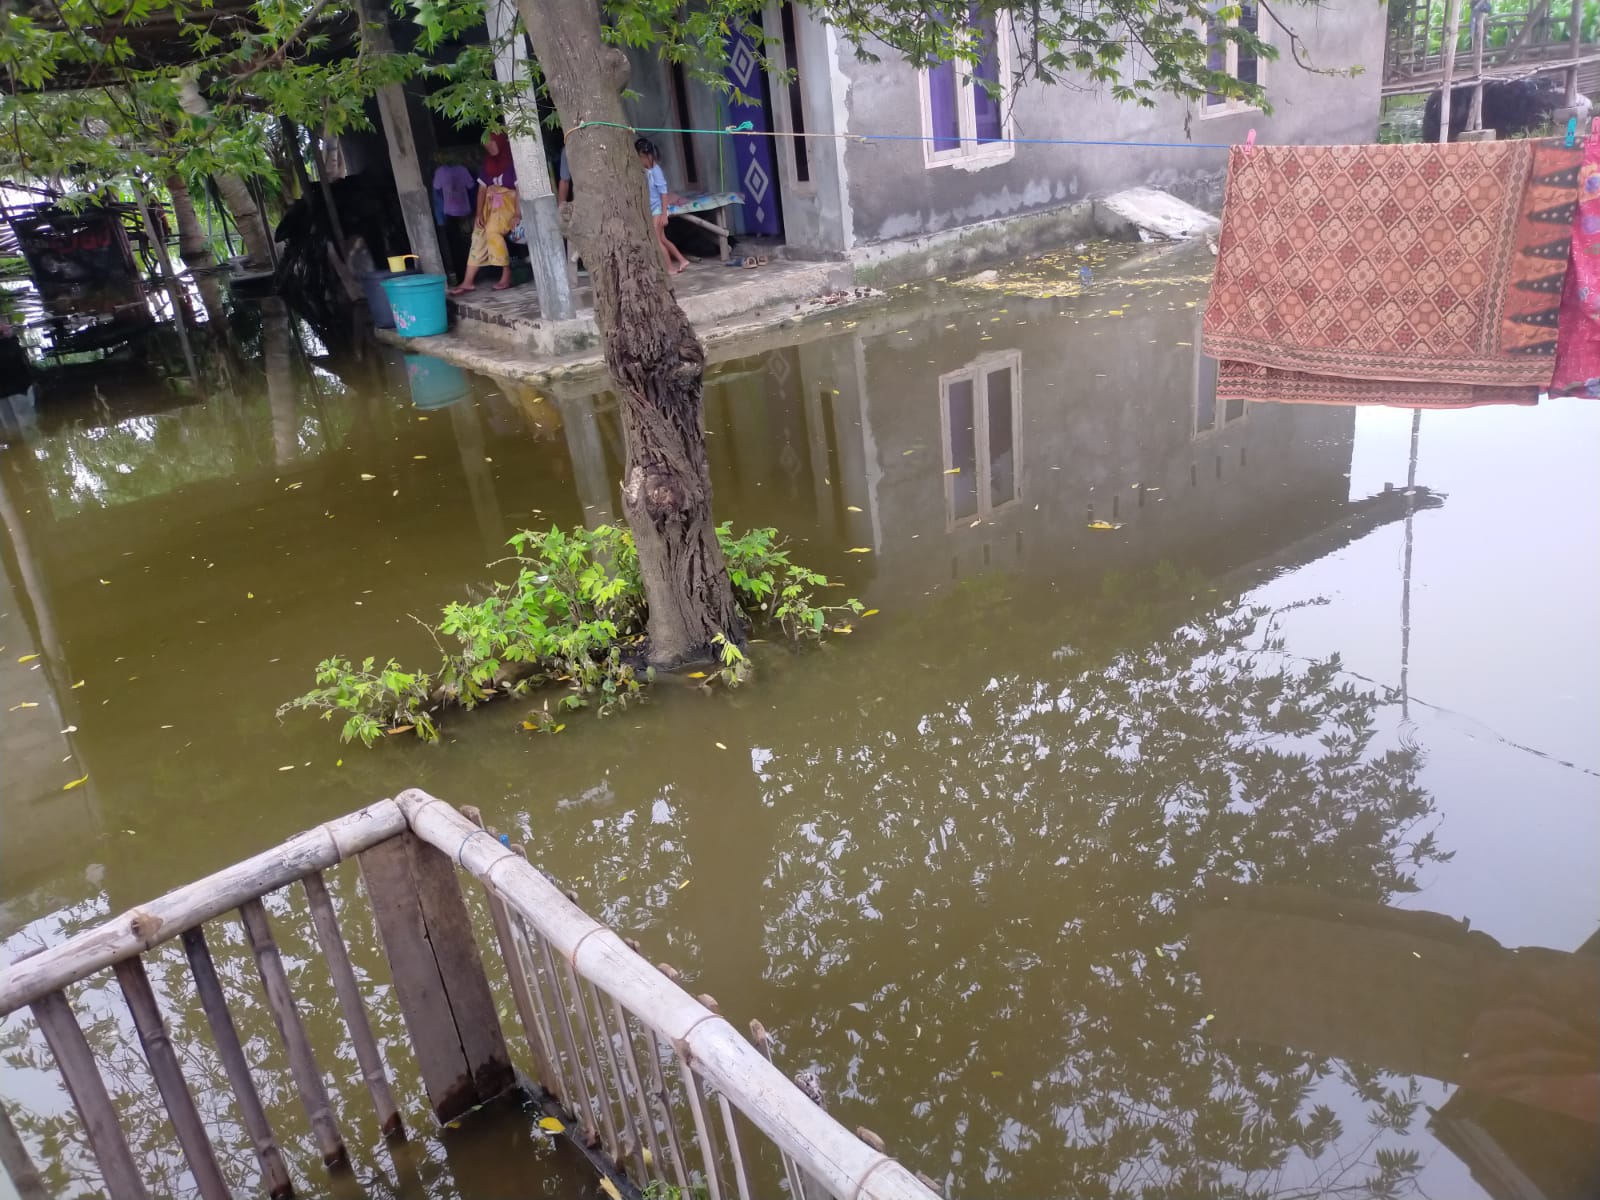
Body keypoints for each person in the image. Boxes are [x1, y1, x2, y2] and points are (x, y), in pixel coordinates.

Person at [448, 132, 520, 295]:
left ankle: (506, 273)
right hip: (491, 206)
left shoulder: (512, 163)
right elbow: (482, 190)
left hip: (509, 205)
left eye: (491, 143)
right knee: (479, 233)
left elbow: (520, 190)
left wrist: (517, 214)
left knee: (492, 231)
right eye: (486, 144)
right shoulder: (488, 164)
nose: (489, 146)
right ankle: (468, 281)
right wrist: (479, 214)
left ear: (500, 142)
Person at [636, 137, 689, 275]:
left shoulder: (656, 171)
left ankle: (670, 268)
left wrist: (664, 214)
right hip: (654, 209)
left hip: (658, 209)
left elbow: (664, 194)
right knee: (663, 239)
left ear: (647, 156)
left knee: (657, 240)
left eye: (641, 157)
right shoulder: (647, 170)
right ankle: (682, 260)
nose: (640, 161)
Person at [431, 150, 477, 282]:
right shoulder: (461, 170)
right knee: (469, 245)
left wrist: (440, 219)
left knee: (457, 246)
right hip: (463, 212)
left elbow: (437, 195)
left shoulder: (440, 172)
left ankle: (463, 277)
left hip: (453, 213)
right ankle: (470, 276)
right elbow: (471, 188)